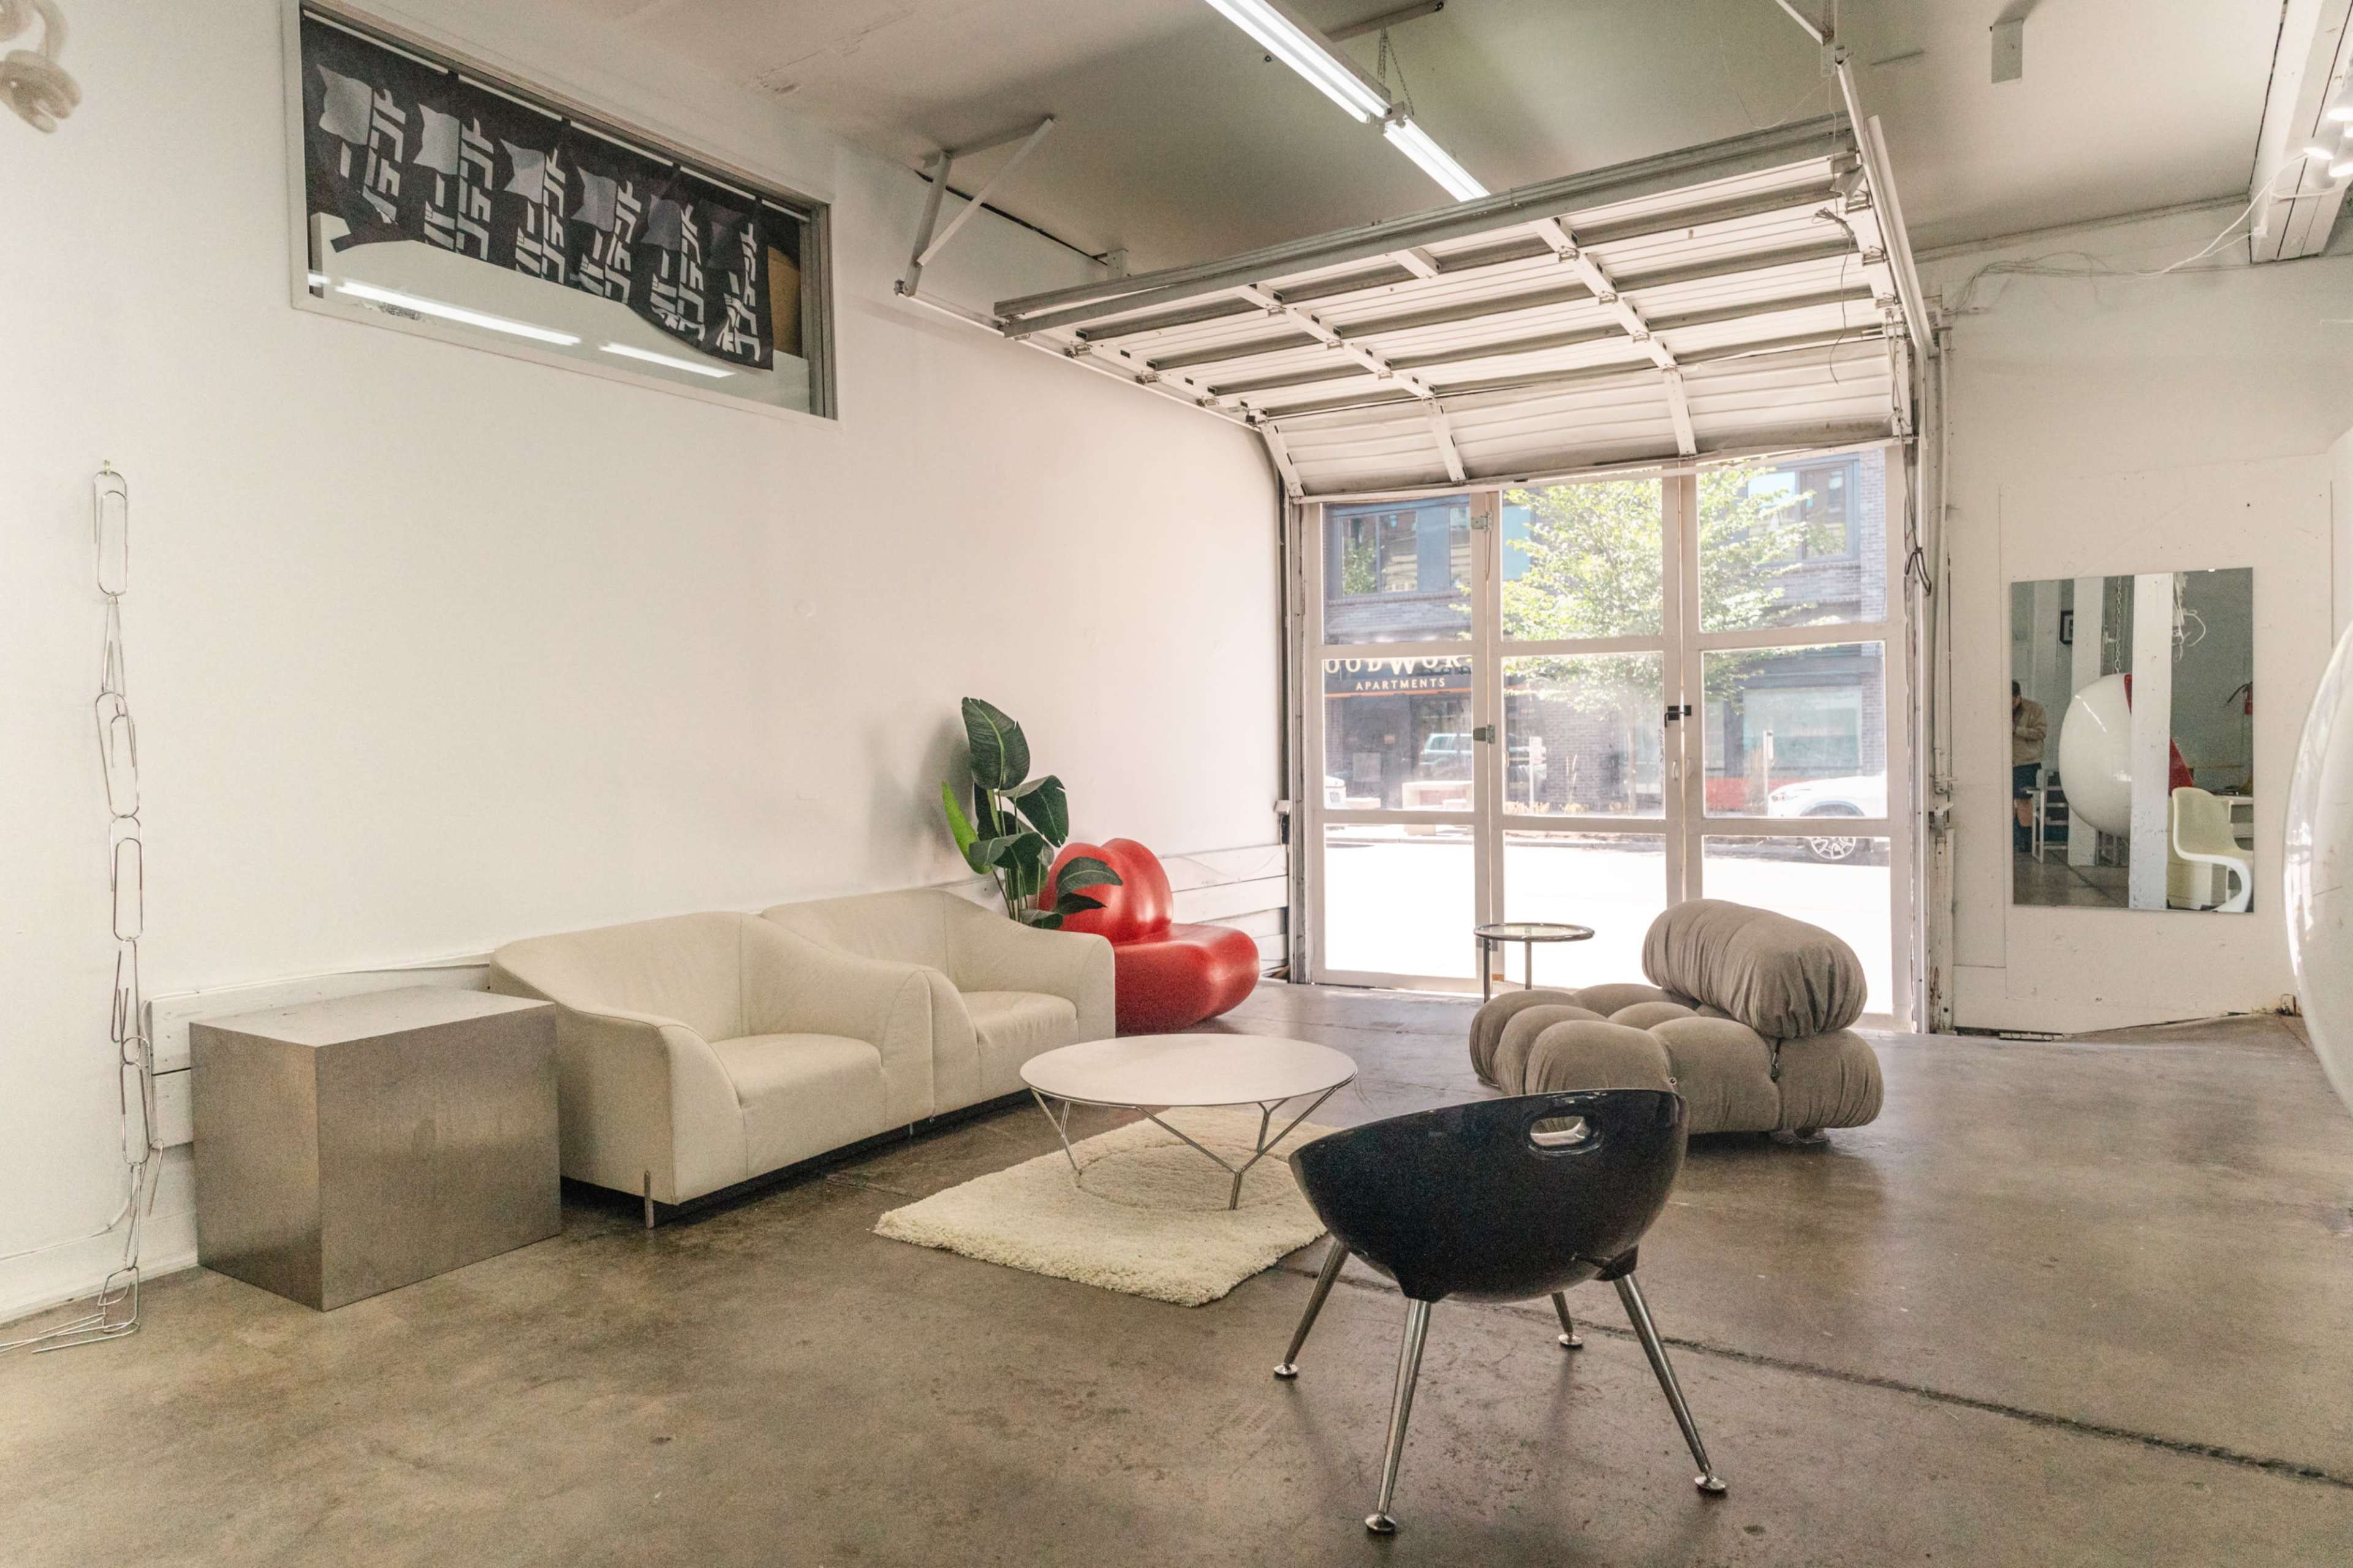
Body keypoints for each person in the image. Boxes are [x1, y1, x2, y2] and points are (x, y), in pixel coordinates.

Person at [2013, 680, 2047, 854]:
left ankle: (2027, 841)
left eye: (2013, 701)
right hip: (2006, 762)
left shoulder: (2034, 709)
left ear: (2019, 696)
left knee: (2024, 800)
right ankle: (2013, 839)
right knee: (2006, 802)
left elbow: (2041, 733)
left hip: (2026, 762)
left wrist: (2017, 730)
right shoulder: (1999, 707)